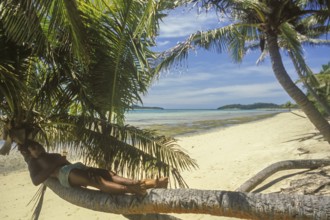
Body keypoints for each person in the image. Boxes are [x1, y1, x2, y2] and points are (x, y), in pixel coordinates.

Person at [21, 140, 168, 196]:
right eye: (33, 148)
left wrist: (62, 160)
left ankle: (152, 183)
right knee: (97, 181)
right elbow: (35, 181)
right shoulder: (34, 163)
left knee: (109, 174)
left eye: (38, 145)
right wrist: (57, 163)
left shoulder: (50, 154)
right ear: (29, 153)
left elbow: (65, 164)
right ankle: (133, 189)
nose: (38, 149)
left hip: (73, 168)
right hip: (64, 174)